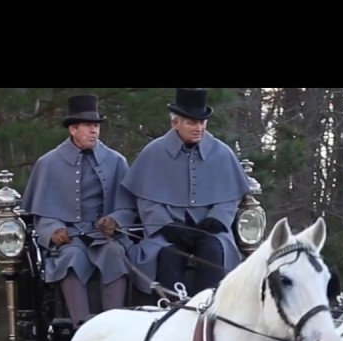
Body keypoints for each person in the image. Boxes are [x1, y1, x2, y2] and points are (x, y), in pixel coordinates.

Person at [120, 87, 253, 299]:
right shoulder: (154, 152)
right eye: (192, 122)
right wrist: (167, 225)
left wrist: (216, 220)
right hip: (167, 232)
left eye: (202, 122)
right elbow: (147, 200)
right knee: (167, 255)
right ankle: (170, 309)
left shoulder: (222, 153)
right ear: (175, 123)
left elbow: (230, 197)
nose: (198, 128)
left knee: (213, 251)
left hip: (210, 231)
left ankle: (212, 306)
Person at [20, 93, 136, 324]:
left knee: (115, 255)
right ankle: (81, 327)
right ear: (73, 129)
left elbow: (128, 208)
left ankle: (114, 325)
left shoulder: (116, 161)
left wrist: (114, 220)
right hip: (70, 237)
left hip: (103, 236)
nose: (94, 131)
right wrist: (54, 230)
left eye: (96, 126)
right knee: (71, 258)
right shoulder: (48, 163)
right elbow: (42, 213)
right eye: (88, 126)